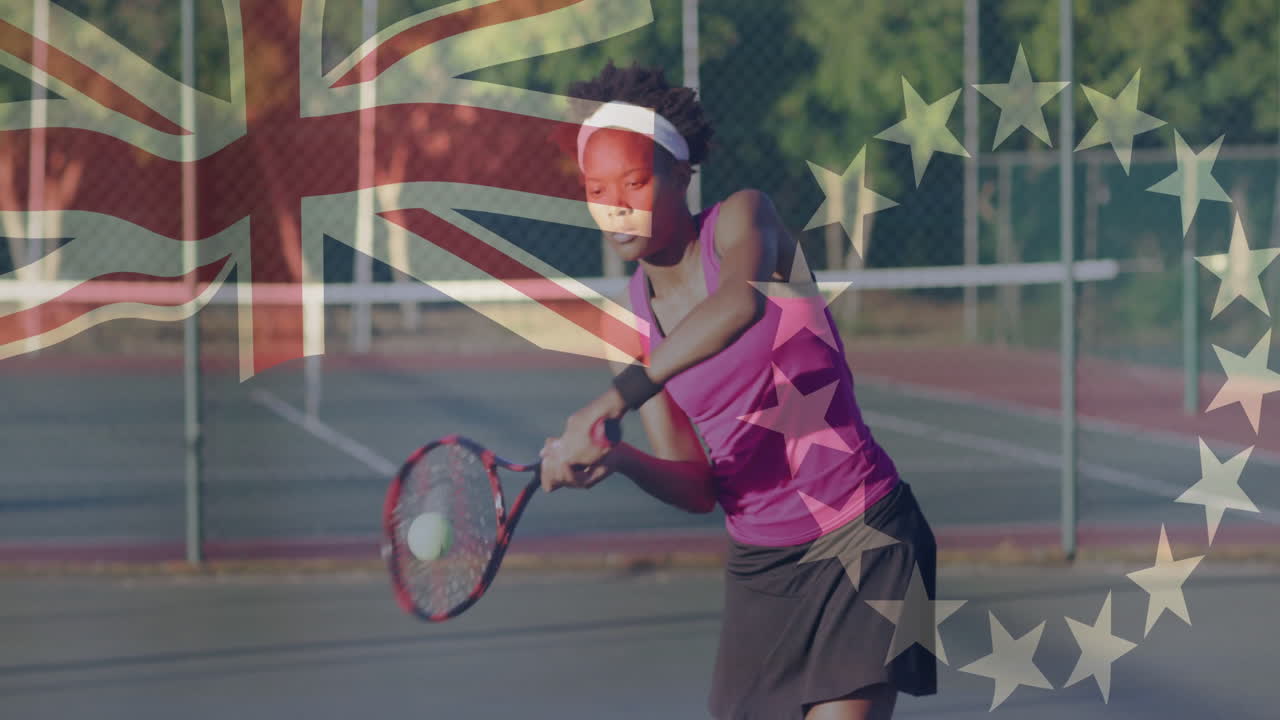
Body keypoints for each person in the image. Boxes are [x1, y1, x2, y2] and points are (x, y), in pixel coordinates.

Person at [539, 60, 938, 720]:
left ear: (681, 174)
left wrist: (615, 397)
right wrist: (620, 459)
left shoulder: (744, 219)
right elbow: (700, 488)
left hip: (866, 537)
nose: (616, 206)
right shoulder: (631, 325)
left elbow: (737, 305)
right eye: (597, 188)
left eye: (635, 182)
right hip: (761, 572)